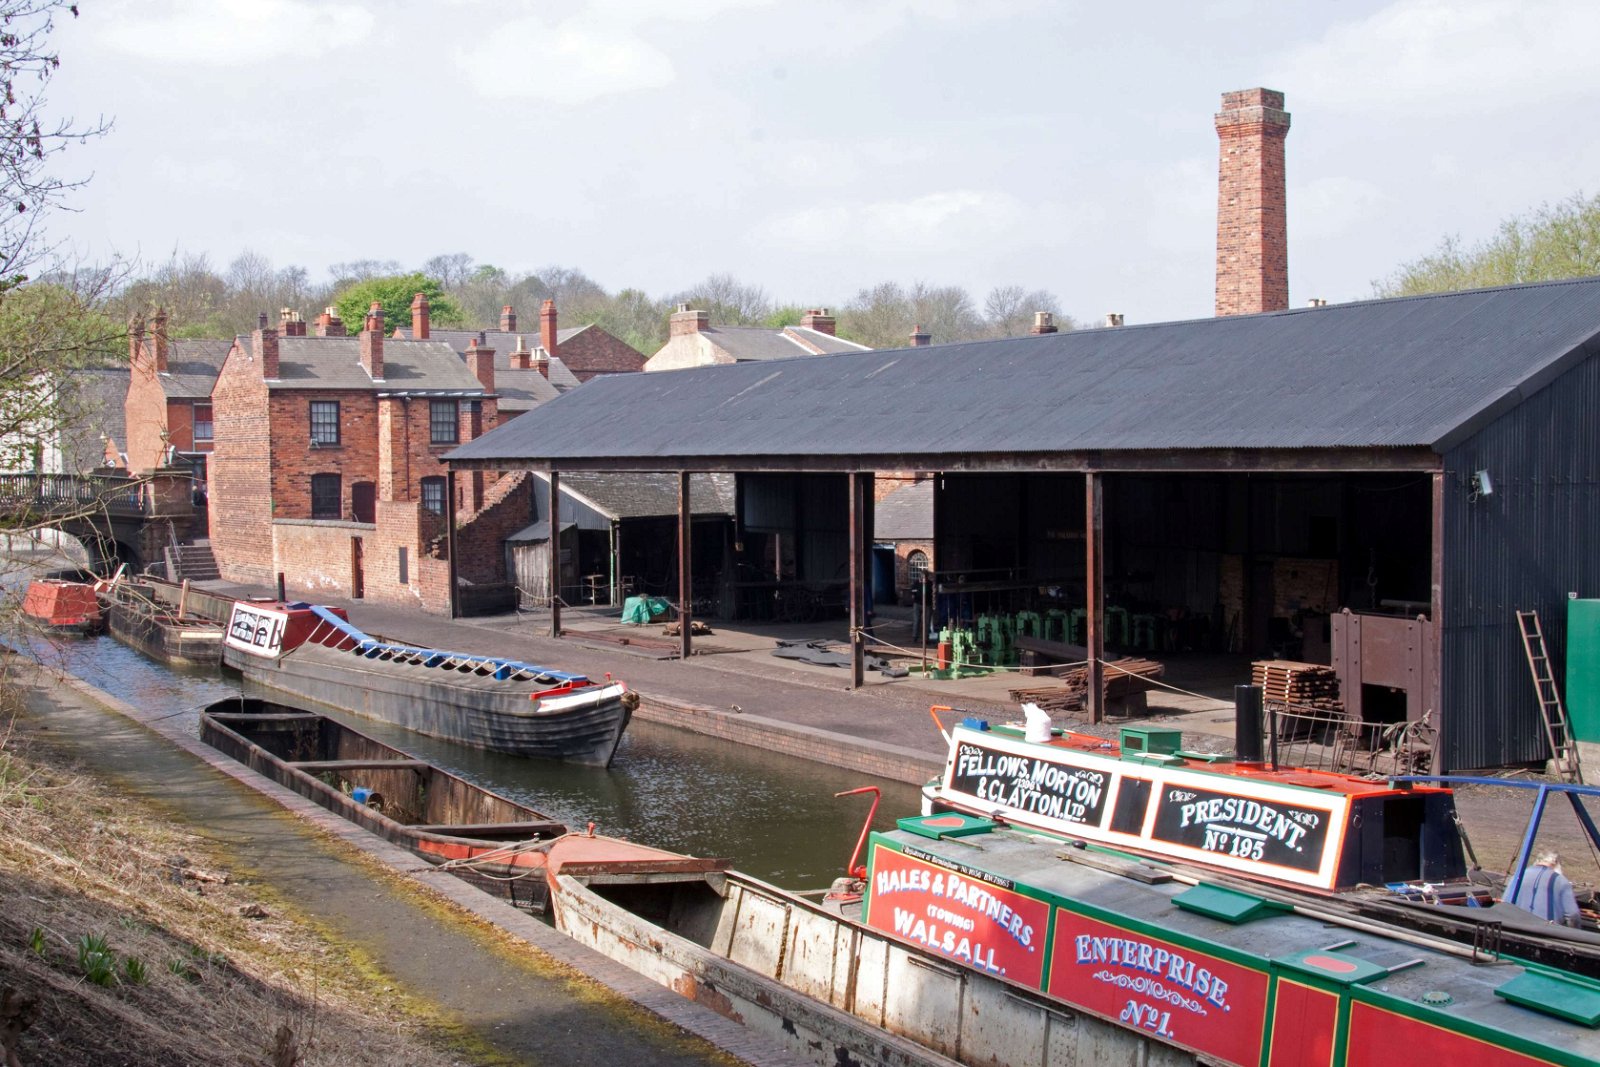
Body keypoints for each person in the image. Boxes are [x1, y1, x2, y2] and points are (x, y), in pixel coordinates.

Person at [1510, 851, 1582, 927]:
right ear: (1557, 865)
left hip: (1516, 929)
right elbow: (1573, 914)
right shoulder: (1561, 881)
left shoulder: (1517, 877)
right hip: (1546, 933)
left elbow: (1505, 903)